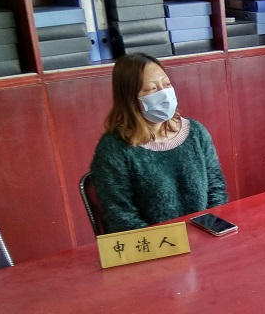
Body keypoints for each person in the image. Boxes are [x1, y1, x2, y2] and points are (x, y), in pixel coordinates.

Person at [90, 53, 227, 233]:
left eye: (167, 84)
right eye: (152, 89)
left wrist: (209, 232)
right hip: (156, 245)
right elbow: (121, 217)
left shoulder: (196, 132)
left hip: (204, 235)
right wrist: (174, 243)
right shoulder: (114, 148)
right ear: (130, 98)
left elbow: (217, 191)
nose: (164, 93)